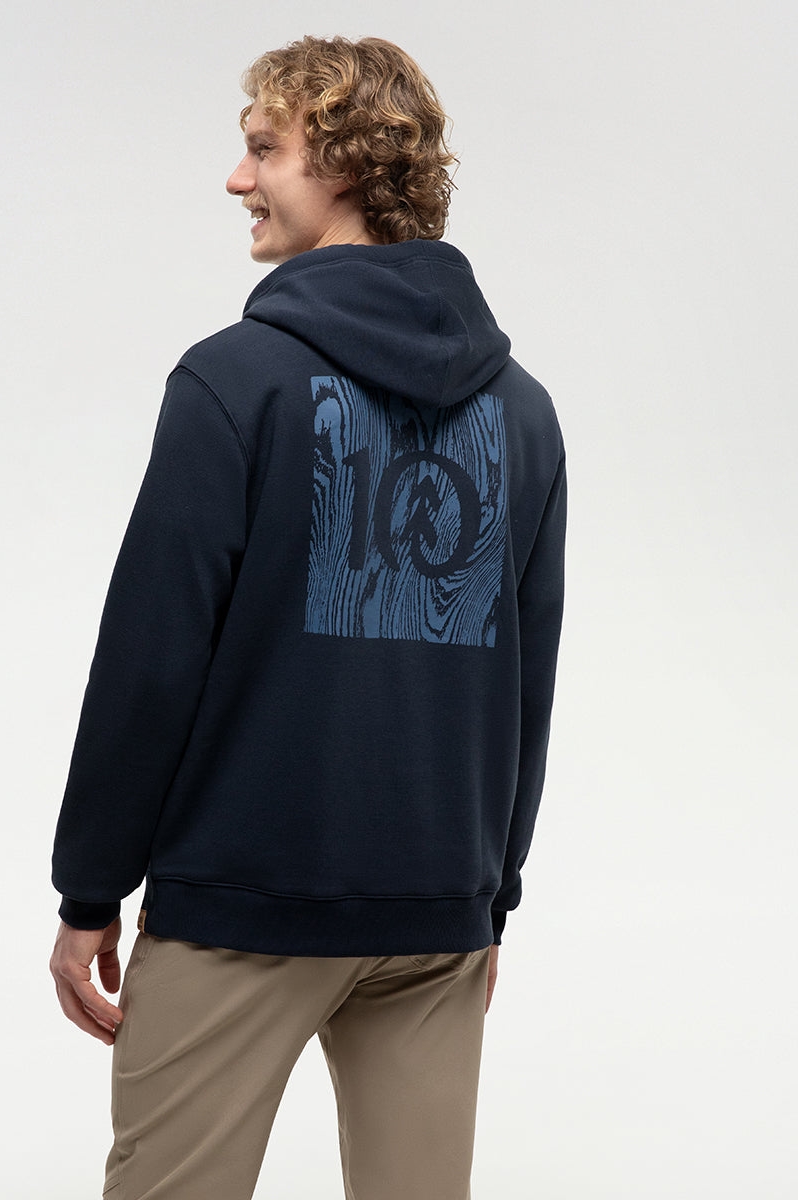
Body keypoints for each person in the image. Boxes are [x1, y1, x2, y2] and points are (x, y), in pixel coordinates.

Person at [50, 34, 565, 1200]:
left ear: (343, 163)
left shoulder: (233, 383)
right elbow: (528, 690)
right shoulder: (526, 415)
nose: (237, 178)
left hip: (243, 907)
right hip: (436, 914)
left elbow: (149, 662)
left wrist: (89, 890)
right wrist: (488, 900)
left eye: (263, 149)